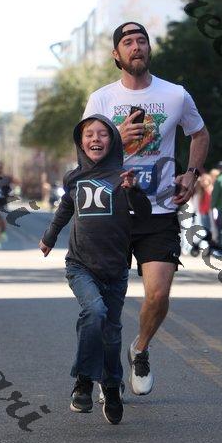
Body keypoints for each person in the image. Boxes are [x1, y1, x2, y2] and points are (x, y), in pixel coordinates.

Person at [82, 21, 209, 396]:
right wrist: (116, 138)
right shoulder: (101, 100)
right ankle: (109, 371)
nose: (136, 46)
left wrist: (191, 174)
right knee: (108, 303)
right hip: (112, 212)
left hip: (159, 209)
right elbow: (86, 155)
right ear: (116, 54)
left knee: (158, 294)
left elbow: (199, 134)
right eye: (128, 42)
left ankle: (139, 349)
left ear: (149, 49)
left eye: (141, 41)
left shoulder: (175, 95)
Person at [39, 115, 151, 424]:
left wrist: (134, 191)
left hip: (115, 269)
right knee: (95, 312)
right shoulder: (74, 178)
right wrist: (49, 237)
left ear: (113, 140)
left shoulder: (123, 176)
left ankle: (112, 387)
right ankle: (84, 380)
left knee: (111, 335)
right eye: (89, 134)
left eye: (103, 133)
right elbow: (65, 207)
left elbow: (143, 214)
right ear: (81, 142)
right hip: (81, 265)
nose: (95, 139)